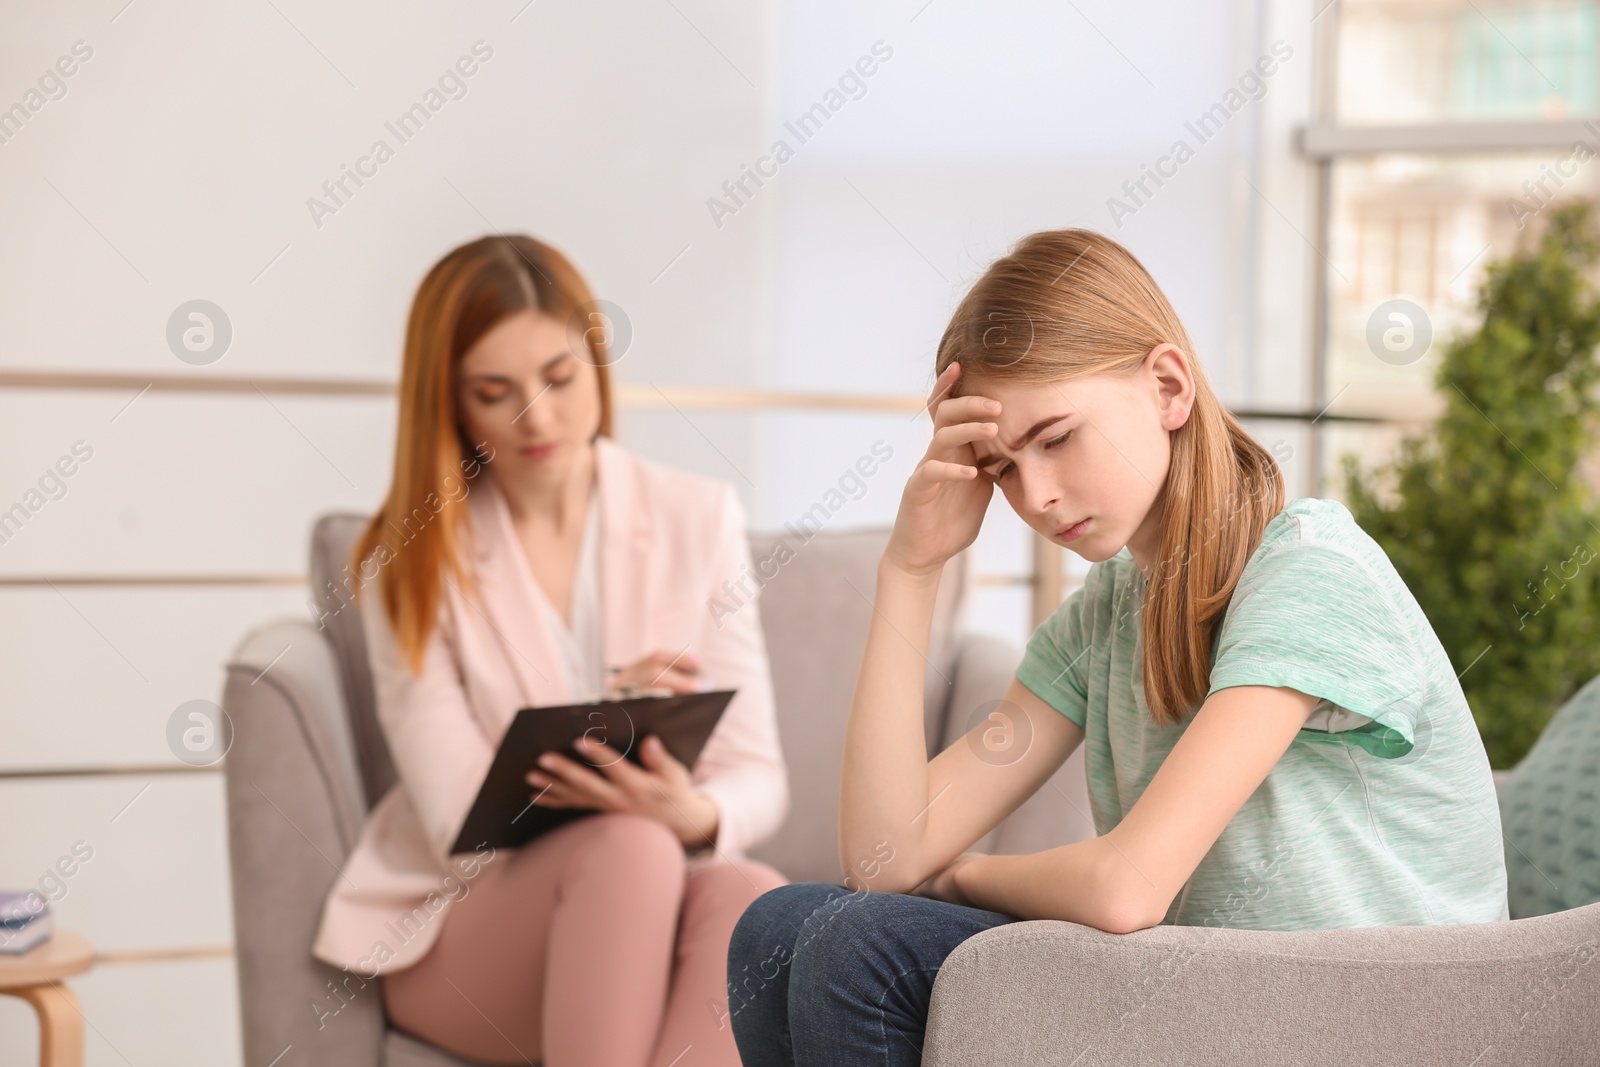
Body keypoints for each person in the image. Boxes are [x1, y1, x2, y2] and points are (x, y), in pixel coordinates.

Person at [726, 228, 1509, 1066]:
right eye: (1001, 467)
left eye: (1057, 437)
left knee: (861, 947)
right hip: (1216, 990)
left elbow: (1126, 887)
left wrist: (962, 875)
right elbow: (885, 856)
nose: (1036, 494)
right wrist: (912, 566)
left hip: (1368, 1013)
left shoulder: (1305, 570)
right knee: (777, 928)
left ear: (1168, 386)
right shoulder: (1105, 616)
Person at [309, 234, 789, 1067]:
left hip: (656, 891)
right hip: (471, 929)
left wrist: (695, 813)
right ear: (452, 404)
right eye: (495, 392)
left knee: (753, 894)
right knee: (630, 849)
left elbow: (759, 776)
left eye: (560, 379)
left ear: (595, 366)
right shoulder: (412, 554)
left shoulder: (697, 516)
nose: (538, 417)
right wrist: (618, 756)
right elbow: (460, 819)